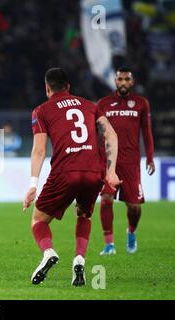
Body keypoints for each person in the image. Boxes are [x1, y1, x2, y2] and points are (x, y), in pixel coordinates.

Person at [23, 68, 121, 286]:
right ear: (68, 86)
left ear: (47, 88)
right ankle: (79, 260)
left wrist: (32, 185)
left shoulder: (41, 110)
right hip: (94, 172)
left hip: (65, 171)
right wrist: (111, 171)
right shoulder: (90, 106)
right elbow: (111, 135)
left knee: (38, 220)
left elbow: (39, 150)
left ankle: (48, 253)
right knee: (84, 216)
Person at [97, 67, 155, 255]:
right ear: (115, 81)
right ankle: (109, 244)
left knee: (134, 206)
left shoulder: (141, 103)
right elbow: (97, 134)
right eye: (120, 79)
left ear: (132, 82)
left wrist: (150, 157)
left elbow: (146, 132)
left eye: (126, 79)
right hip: (109, 162)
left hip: (131, 162)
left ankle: (131, 232)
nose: (123, 82)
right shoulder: (103, 104)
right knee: (106, 199)